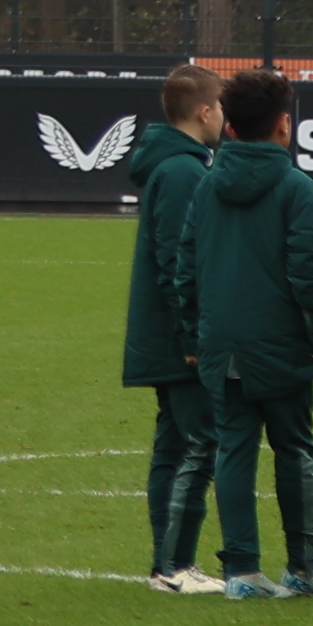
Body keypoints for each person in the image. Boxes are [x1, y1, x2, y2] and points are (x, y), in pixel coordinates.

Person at [192, 69, 313, 596]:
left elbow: (184, 267)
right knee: (295, 449)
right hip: (280, 344)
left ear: (229, 126)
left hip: (222, 342)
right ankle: (303, 567)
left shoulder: (207, 183)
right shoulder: (293, 184)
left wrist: (195, 336)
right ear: (285, 124)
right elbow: (308, 272)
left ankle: (241, 572)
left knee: (233, 449)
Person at [124, 62, 225, 591]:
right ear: (204, 111)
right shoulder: (184, 171)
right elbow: (178, 261)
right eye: (220, 108)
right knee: (200, 444)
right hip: (179, 338)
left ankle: (166, 562)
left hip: (166, 334)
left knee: (173, 446)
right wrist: (192, 337)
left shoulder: (175, 164)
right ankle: (175, 565)